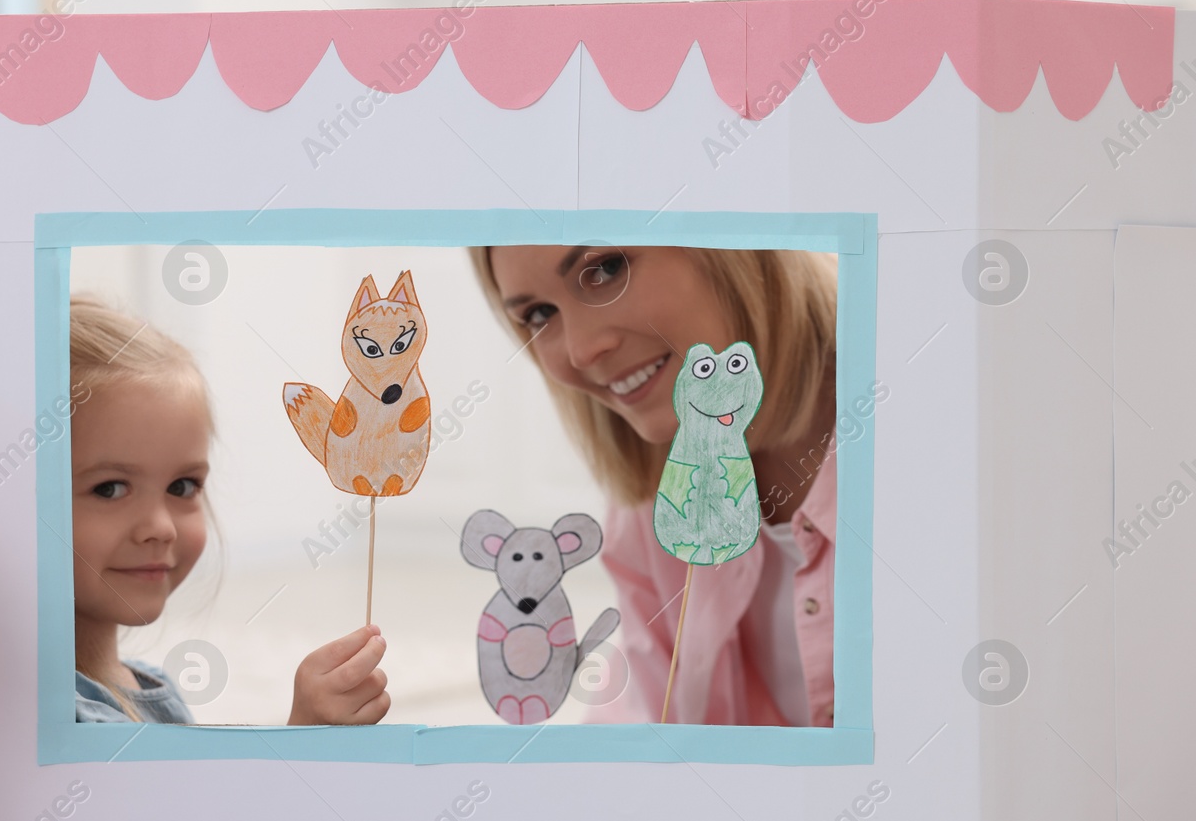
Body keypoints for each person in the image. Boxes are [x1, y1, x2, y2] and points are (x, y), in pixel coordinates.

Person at [471, 245, 848, 726]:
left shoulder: (942, 444)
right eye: (539, 314)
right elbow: (646, 720)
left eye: (604, 270)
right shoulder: (653, 508)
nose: (581, 351)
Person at [69, 297, 391, 725]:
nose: (161, 528)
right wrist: (304, 740)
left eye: (182, 486)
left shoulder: (147, 687)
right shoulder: (63, 722)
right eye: (110, 488)